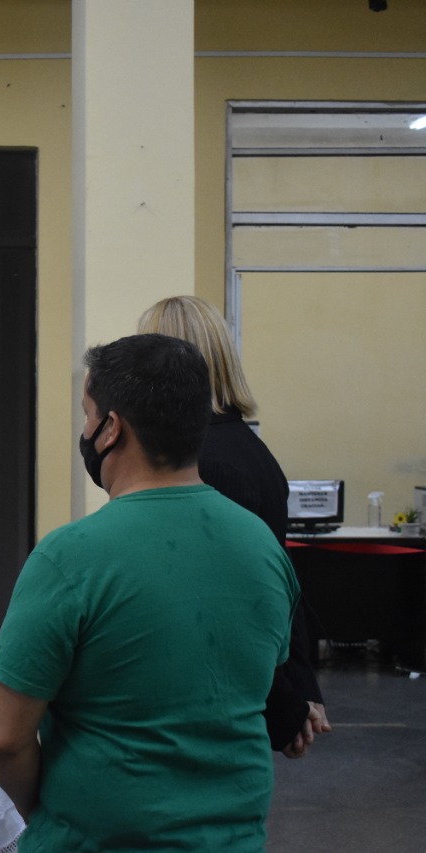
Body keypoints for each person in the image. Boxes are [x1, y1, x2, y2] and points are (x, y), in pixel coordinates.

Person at [0, 333, 298, 851]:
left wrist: (48, 813)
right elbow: (252, 682)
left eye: (87, 415)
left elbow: (4, 737)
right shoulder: (260, 545)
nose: (84, 430)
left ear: (110, 429)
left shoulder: (70, 556)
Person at [138, 295, 330, 758]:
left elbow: (234, 609)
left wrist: (287, 703)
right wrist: (301, 688)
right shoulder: (241, 446)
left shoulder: (209, 462)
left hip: (217, 712)